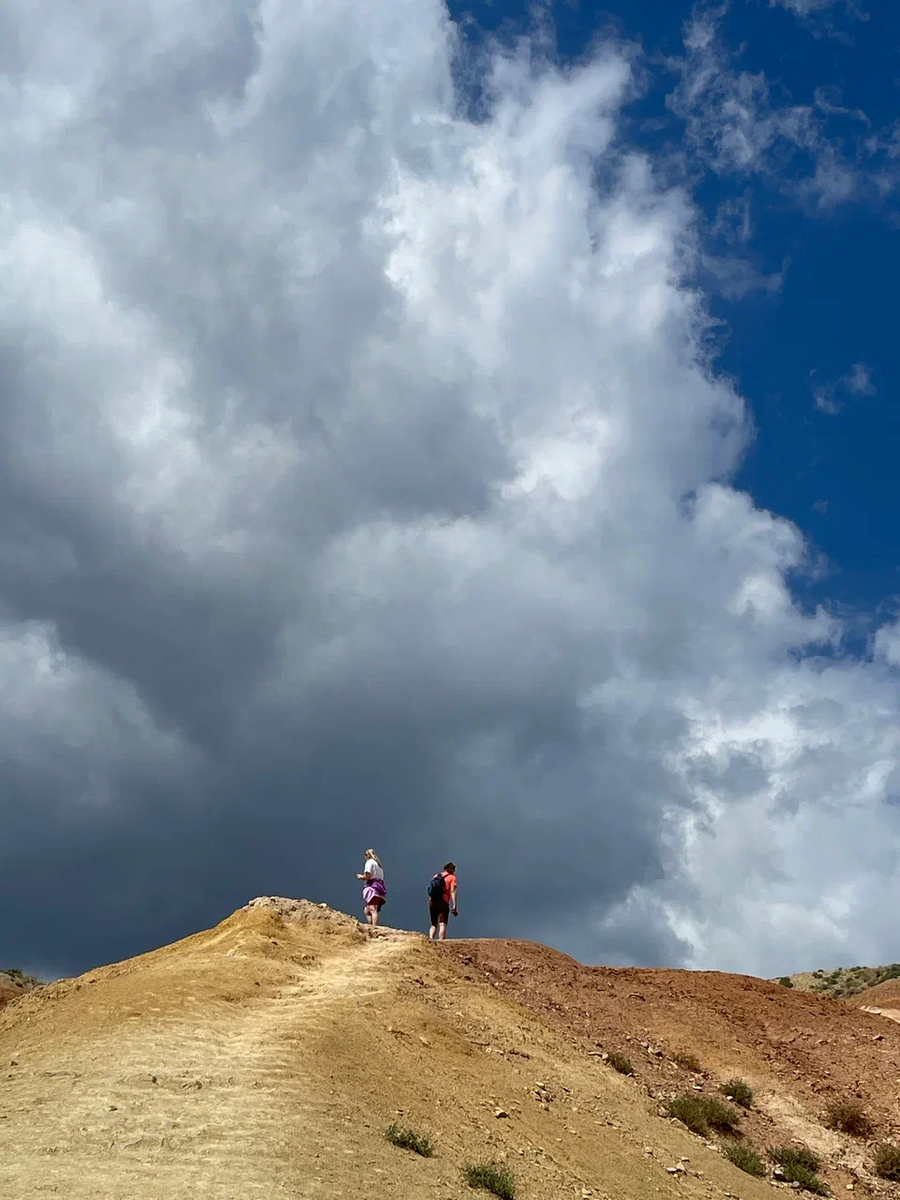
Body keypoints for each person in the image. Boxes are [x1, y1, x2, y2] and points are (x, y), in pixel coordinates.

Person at [427, 862, 458, 941]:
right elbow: (452, 891)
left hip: (432, 901)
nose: (454, 870)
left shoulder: (436, 876)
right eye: (453, 868)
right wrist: (454, 905)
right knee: (442, 924)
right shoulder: (452, 877)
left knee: (434, 924)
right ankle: (441, 941)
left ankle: (430, 940)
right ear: (450, 869)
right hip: (443, 901)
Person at [357, 848, 386, 927]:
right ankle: (370, 926)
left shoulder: (369, 862)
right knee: (367, 910)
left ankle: (374, 926)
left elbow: (368, 876)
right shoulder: (379, 865)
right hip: (379, 887)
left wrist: (361, 877)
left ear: (367, 855)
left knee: (372, 908)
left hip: (372, 887)